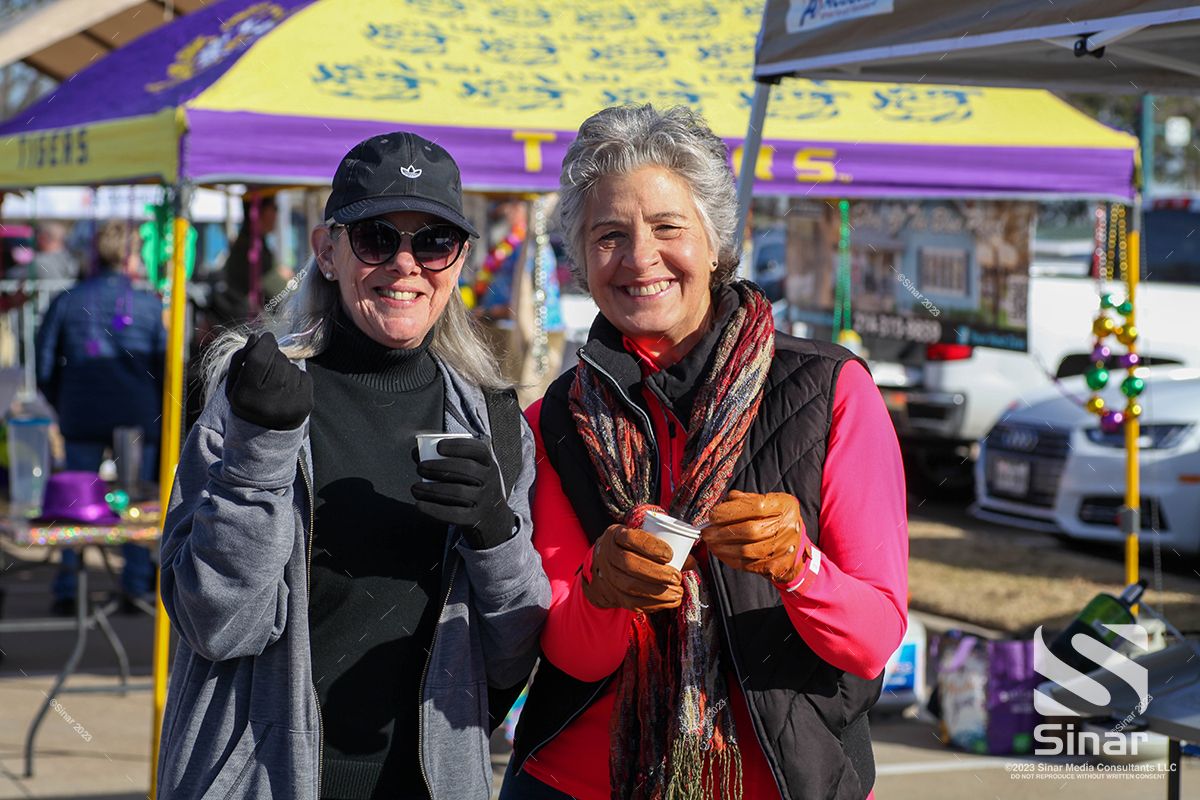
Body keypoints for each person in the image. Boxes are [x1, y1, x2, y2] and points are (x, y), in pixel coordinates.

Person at [501, 105, 908, 800]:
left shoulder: (830, 390)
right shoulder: (554, 419)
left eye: (668, 227)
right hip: (578, 782)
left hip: (784, 780)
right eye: (609, 235)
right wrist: (602, 592)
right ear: (582, 261)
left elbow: (872, 641)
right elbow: (573, 652)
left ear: (717, 240)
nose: (639, 258)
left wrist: (799, 565)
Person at [156, 131, 549, 799]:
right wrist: (258, 457)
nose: (405, 264)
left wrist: (497, 536)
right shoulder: (252, 396)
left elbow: (514, 653)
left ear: (458, 262)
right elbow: (217, 624)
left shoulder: (496, 423)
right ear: (327, 251)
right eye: (376, 238)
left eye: (434, 242)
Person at [35, 220, 165, 614]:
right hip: (135, 414)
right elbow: (164, 367)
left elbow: (43, 363)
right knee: (134, 502)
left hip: (83, 412)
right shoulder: (148, 305)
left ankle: (69, 586)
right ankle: (135, 585)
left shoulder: (68, 300)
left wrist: (61, 402)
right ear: (130, 256)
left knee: (75, 502)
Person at [208, 193, 288, 327]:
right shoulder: (252, 250)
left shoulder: (253, 244)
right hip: (249, 327)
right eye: (275, 208)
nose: (277, 214)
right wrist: (292, 282)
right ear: (260, 211)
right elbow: (281, 296)